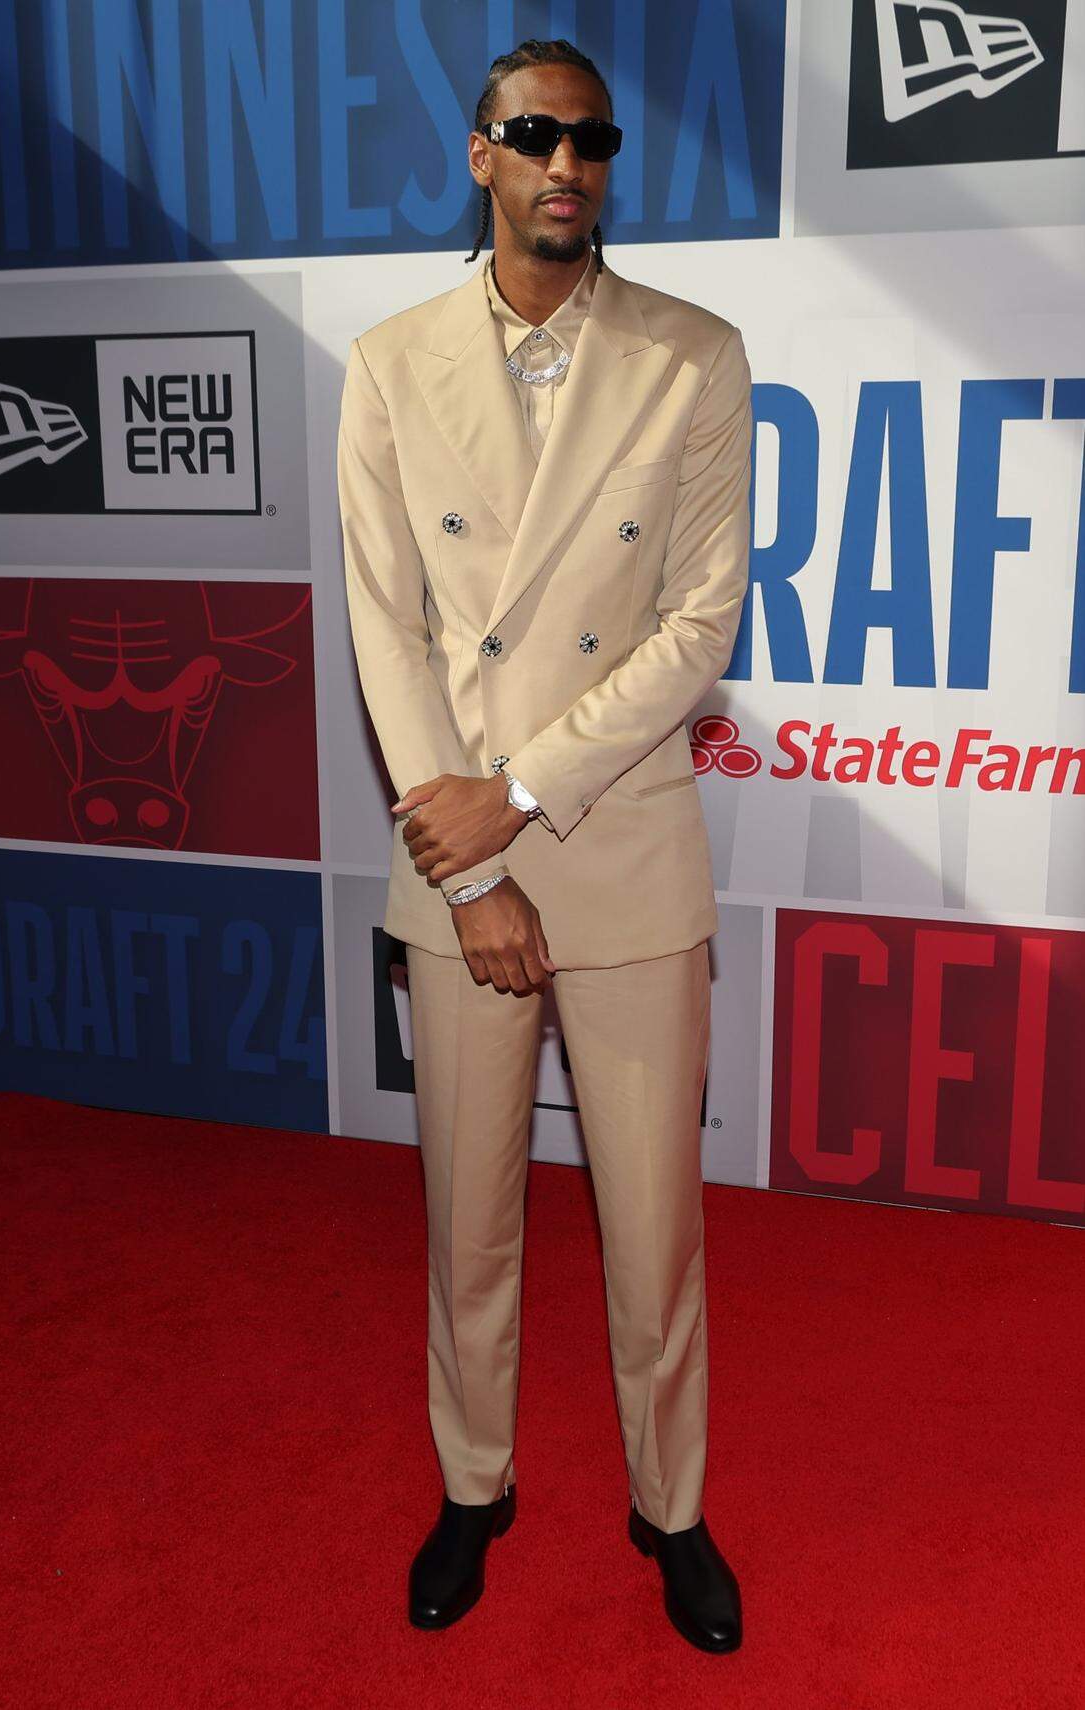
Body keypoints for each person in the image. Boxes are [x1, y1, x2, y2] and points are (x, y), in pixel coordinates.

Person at [336, 36, 752, 1655]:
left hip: (621, 838)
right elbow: (387, 622)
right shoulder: (387, 360)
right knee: (471, 1215)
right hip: (462, 868)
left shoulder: (693, 356)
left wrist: (516, 798)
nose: (565, 162)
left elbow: (696, 624)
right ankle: (474, 1480)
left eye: (590, 138)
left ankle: (672, 1506)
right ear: (480, 155)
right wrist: (476, 864)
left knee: (654, 1224)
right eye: (534, 134)